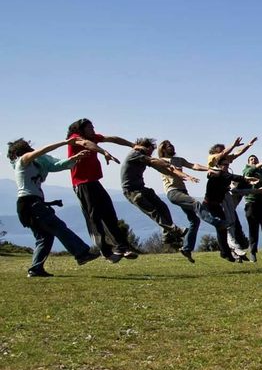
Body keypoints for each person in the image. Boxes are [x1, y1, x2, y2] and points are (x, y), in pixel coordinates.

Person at [8, 138, 100, 277]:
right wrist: (65, 143)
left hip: (30, 204)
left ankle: (35, 269)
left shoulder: (33, 165)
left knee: (44, 237)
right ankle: (81, 253)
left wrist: (74, 158)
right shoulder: (23, 160)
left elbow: (56, 165)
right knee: (58, 227)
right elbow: (43, 151)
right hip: (30, 203)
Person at [66, 118, 140, 262]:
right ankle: (105, 251)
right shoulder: (74, 138)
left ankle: (121, 247)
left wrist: (132, 145)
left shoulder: (93, 138)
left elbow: (112, 138)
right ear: (80, 129)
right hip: (82, 185)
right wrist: (103, 152)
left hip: (94, 183)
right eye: (90, 127)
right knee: (94, 218)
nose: (93, 129)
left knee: (109, 214)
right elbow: (86, 144)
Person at [120, 138, 191, 249]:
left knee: (162, 207)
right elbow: (153, 161)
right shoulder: (135, 154)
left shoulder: (144, 158)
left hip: (141, 188)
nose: (151, 153)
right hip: (132, 192)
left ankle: (167, 236)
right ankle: (174, 230)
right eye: (150, 151)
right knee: (153, 212)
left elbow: (160, 169)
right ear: (144, 148)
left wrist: (177, 175)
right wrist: (166, 162)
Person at [157, 139, 217, 263]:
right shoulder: (161, 161)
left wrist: (208, 169)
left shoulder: (179, 160)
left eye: (172, 145)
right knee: (196, 203)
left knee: (194, 220)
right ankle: (215, 222)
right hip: (173, 192)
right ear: (163, 149)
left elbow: (193, 165)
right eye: (168, 146)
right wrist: (187, 176)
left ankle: (186, 248)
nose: (172, 147)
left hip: (182, 192)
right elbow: (173, 170)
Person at [204, 153, 261, 262]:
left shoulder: (229, 186)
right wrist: (247, 178)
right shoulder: (216, 173)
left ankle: (228, 253)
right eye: (224, 164)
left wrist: (256, 190)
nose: (226, 166)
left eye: (227, 164)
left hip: (218, 205)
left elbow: (238, 187)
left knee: (226, 227)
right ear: (219, 165)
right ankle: (235, 249)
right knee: (227, 226)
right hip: (210, 205)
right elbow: (231, 177)